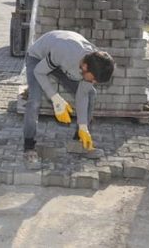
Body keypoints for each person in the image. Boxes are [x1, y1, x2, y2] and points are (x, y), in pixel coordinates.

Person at [23, 30, 115, 162]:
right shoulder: (66, 52)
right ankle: (29, 146)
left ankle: (79, 142)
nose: (94, 82)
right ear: (85, 66)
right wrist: (56, 99)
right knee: (35, 100)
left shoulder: (94, 64)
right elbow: (39, 72)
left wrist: (83, 126)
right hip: (38, 57)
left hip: (59, 61)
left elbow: (82, 95)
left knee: (91, 93)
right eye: (94, 79)